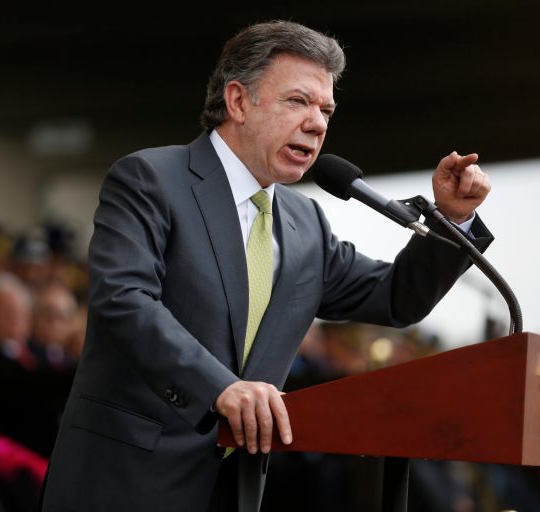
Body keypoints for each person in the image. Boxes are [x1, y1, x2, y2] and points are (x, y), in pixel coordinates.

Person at [41, 20, 493, 512]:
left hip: (235, 491)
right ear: (238, 101)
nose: (318, 123)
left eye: (326, 110)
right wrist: (222, 388)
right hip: (124, 483)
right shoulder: (150, 179)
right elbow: (123, 302)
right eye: (298, 101)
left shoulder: (305, 222)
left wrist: (452, 219)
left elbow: (396, 297)